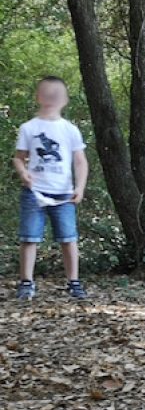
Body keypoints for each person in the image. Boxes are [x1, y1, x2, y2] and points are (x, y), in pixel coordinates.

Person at [12, 76, 89, 300]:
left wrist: (80, 187)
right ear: (38, 97)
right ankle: (26, 282)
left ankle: (74, 282)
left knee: (68, 238)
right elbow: (18, 158)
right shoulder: (29, 128)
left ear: (65, 100)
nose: (51, 98)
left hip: (63, 194)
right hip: (33, 193)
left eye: (56, 94)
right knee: (29, 237)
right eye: (47, 93)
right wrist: (23, 172)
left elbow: (80, 161)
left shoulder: (70, 129)